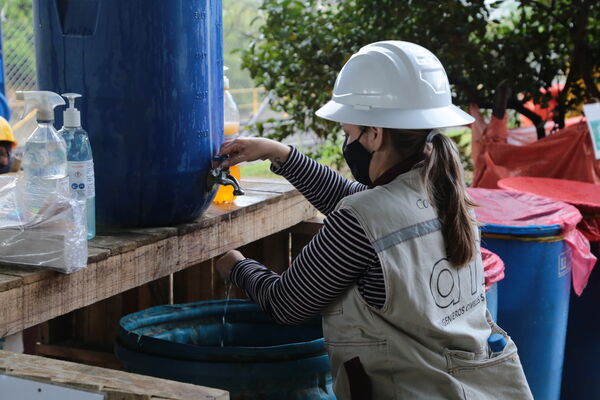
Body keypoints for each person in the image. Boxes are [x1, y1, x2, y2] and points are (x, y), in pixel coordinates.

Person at [216, 41, 533, 400]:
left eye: (349, 134)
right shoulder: (444, 193)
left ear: (376, 134)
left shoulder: (364, 218)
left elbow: (286, 304)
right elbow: (363, 206)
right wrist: (281, 154)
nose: (346, 144)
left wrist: (235, 265)